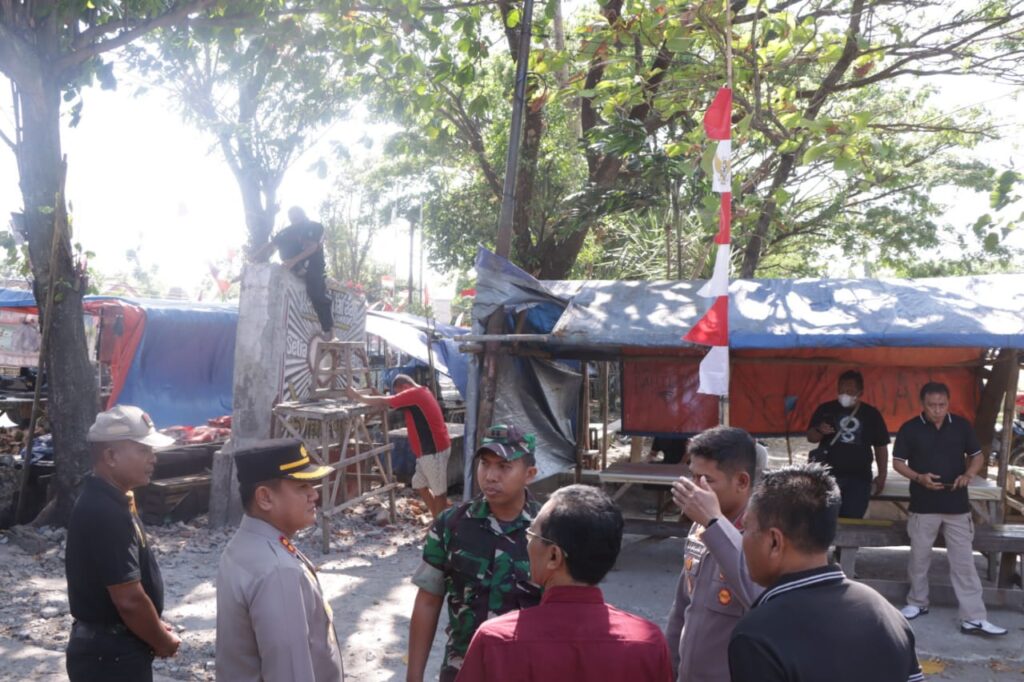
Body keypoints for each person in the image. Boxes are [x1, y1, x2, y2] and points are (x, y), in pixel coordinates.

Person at [455, 485, 673, 682]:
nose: (527, 542)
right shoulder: (647, 642)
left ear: (554, 556)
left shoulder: (496, 640)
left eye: (531, 534)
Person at [728, 463, 923, 682]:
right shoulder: (886, 613)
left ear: (775, 541)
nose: (743, 538)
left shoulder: (757, 635)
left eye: (746, 529)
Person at [407, 424, 541, 682]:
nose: (490, 476)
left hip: (526, 671)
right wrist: (414, 677)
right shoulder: (451, 524)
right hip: (462, 670)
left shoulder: (547, 530)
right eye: (485, 464)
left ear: (529, 474)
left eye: (504, 466)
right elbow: (428, 600)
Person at [65, 405, 180, 681]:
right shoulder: (105, 511)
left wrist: (152, 626)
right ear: (111, 456)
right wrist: (161, 641)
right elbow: (128, 599)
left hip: (112, 646)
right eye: (143, 450)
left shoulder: (114, 498)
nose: (153, 459)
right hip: (109, 656)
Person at [216, 439, 345, 681]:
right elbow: (290, 672)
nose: (314, 495)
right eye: (302, 487)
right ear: (265, 498)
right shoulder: (278, 569)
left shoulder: (245, 544)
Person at [892, 382, 1007, 636]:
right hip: (923, 505)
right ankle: (917, 603)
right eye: (932, 405)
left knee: (964, 562)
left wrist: (968, 474)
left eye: (942, 405)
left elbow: (977, 456)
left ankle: (973, 618)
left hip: (957, 505)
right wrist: (919, 477)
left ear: (949, 403)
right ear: (922, 404)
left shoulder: (962, 425)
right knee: (919, 558)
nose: (937, 410)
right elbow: (898, 462)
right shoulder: (910, 428)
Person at [664, 425, 763, 682]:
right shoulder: (700, 527)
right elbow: (683, 606)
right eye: (693, 476)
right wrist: (668, 665)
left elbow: (756, 596)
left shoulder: (763, 536)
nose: (696, 488)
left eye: (707, 480)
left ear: (742, 482)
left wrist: (714, 523)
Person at [347, 374, 452, 517]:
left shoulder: (414, 394)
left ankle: (441, 528)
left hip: (433, 450)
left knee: (440, 492)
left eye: (398, 392)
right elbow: (390, 403)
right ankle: (437, 519)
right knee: (419, 484)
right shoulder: (420, 392)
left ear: (405, 387)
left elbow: (387, 402)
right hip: (427, 451)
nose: (398, 395)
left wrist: (358, 397)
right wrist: (377, 396)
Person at [806, 369, 890, 518]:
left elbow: (881, 446)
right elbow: (811, 437)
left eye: (850, 390)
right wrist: (820, 430)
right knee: (826, 521)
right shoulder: (825, 409)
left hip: (859, 479)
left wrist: (882, 475)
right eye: (841, 389)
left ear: (860, 391)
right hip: (827, 477)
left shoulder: (871, 414)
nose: (844, 393)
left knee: (853, 521)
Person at [253, 206, 334, 339]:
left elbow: (312, 247)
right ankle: (298, 268)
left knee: (315, 291)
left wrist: (294, 261)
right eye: (291, 218)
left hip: (313, 265)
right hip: (293, 263)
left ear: (303, 214)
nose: (294, 220)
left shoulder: (315, 226)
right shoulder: (288, 231)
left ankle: (329, 329)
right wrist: (255, 256)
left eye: (296, 217)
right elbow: (271, 244)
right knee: (282, 242)